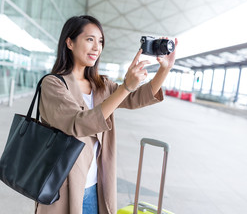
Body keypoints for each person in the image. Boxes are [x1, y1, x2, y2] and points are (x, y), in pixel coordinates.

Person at [36, 15, 178, 214]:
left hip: (96, 187)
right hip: (63, 189)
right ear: (69, 42)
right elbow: (78, 124)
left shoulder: (101, 85)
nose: (96, 47)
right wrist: (126, 87)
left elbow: (137, 98)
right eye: (90, 39)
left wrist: (165, 69)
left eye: (100, 41)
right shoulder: (53, 84)